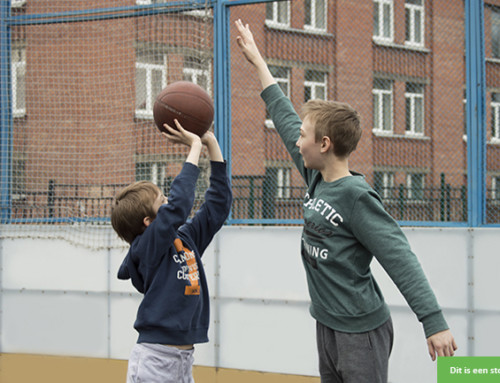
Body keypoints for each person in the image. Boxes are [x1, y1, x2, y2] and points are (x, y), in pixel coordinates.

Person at [235, 19, 457, 383]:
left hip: (361, 331)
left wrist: (433, 322)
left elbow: (399, 257)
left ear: (325, 145)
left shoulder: (356, 197)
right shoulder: (315, 176)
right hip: (328, 323)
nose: (296, 140)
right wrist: (258, 61)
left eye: (304, 136)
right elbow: (285, 117)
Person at [111, 120, 232, 383]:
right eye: (161, 201)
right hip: (155, 361)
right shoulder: (146, 248)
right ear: (148, 221)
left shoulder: (185, 238)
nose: (168, 202)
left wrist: (212, 145)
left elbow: (218, 206)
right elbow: (180, 205)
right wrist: (194, 148)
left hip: (183, 362)